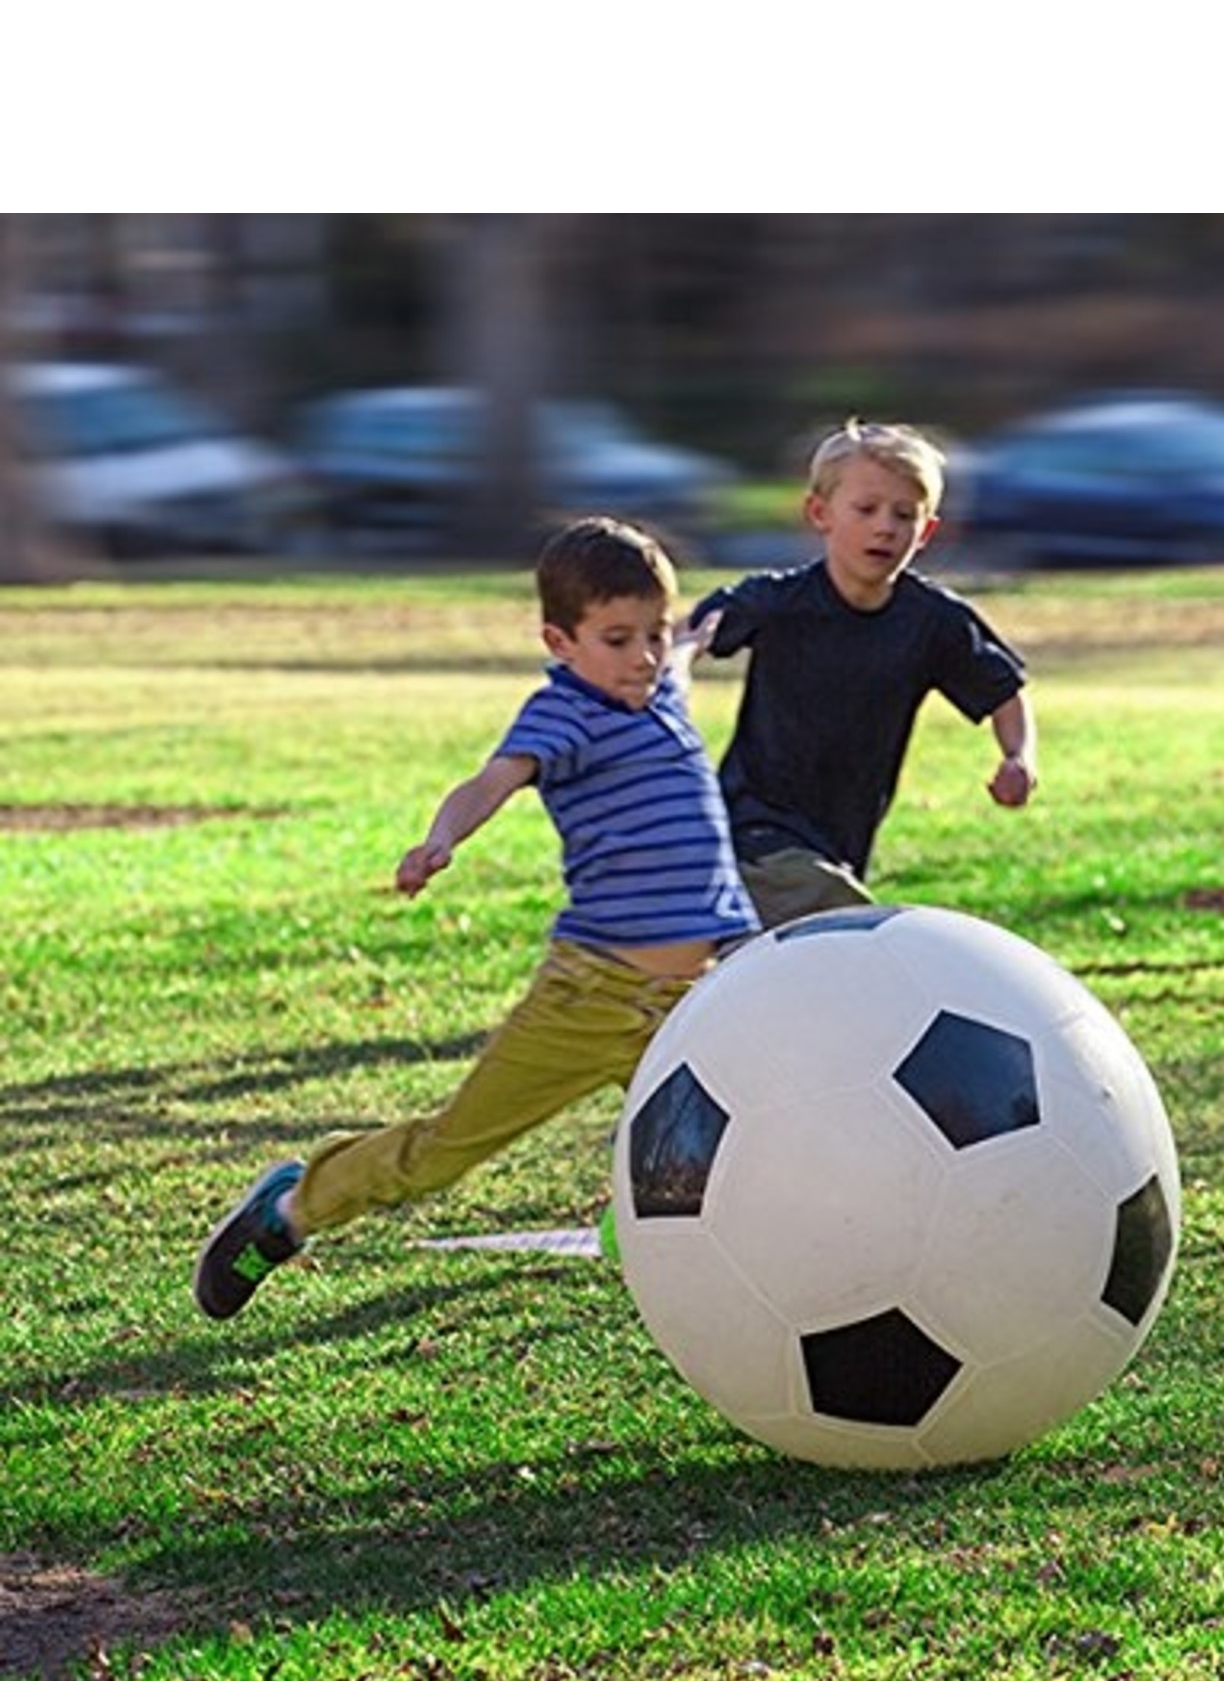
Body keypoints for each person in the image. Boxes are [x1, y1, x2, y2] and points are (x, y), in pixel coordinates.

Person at [194, 517, 759, 1321]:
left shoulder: (657, 685)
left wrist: (695, 637)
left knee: (746, 1143)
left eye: (652, 631)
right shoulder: (562, 715)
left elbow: (677, 657)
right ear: (559, 642)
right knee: (441, 1155)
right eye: (615, 638)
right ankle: (290, 1211)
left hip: (687, 1001)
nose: (639, 654)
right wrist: (440, 838)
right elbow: (490, 782)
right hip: (588, 998)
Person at [690, 418, 1038, 928]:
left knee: (780, 958)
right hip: (754, 830)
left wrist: (1018, 758)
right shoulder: (777, 601)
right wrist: (657, 677)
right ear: (819, 513)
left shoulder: (932, 621)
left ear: (927, 532)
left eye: (904, 515)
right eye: (866, 509)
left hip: (840, 842)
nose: (885, 527)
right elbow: (688, 635)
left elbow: (1004, 690)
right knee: (845, 929)